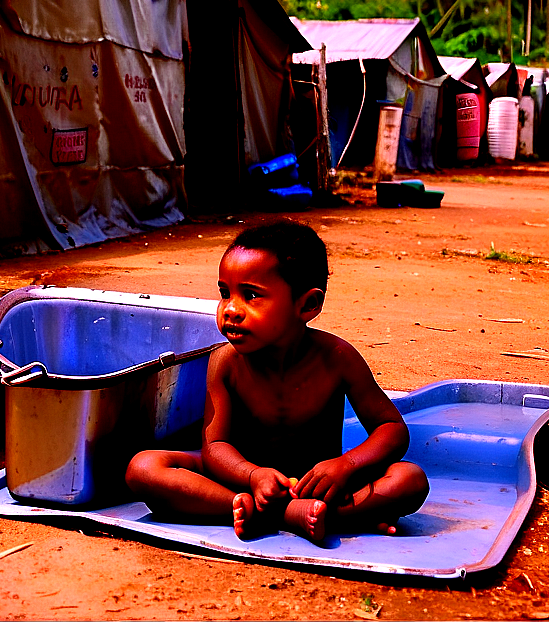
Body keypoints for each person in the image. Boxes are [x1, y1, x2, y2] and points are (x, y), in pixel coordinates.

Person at [125, 221, 429, 543]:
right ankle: (298, 515)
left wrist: (346, 466)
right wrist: (253, 475)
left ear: (308, 305)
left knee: (410, 479)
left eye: (251, 295)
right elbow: (214, 447)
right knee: (144, 467)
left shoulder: (337, 359)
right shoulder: (226, 362)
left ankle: (296, 513)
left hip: (319, 486)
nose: (230, 310)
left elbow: (392, 430)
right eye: (225, 293)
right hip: (241, 482)